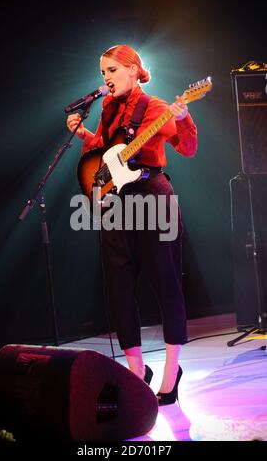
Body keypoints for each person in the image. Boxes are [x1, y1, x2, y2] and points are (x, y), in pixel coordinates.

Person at [67, 44, 197, 405]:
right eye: (102, 73)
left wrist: (184, 117)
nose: (105, 78)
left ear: (132, 69)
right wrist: (84, 137)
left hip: (153, 198)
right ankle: (137, 371)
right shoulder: (108, 107)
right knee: (118, 287)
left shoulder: (154, 107)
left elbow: (187, 148)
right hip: (116, 204)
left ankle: (171, 373)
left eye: (111, 70)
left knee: (166, 283)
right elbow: (107, 156)